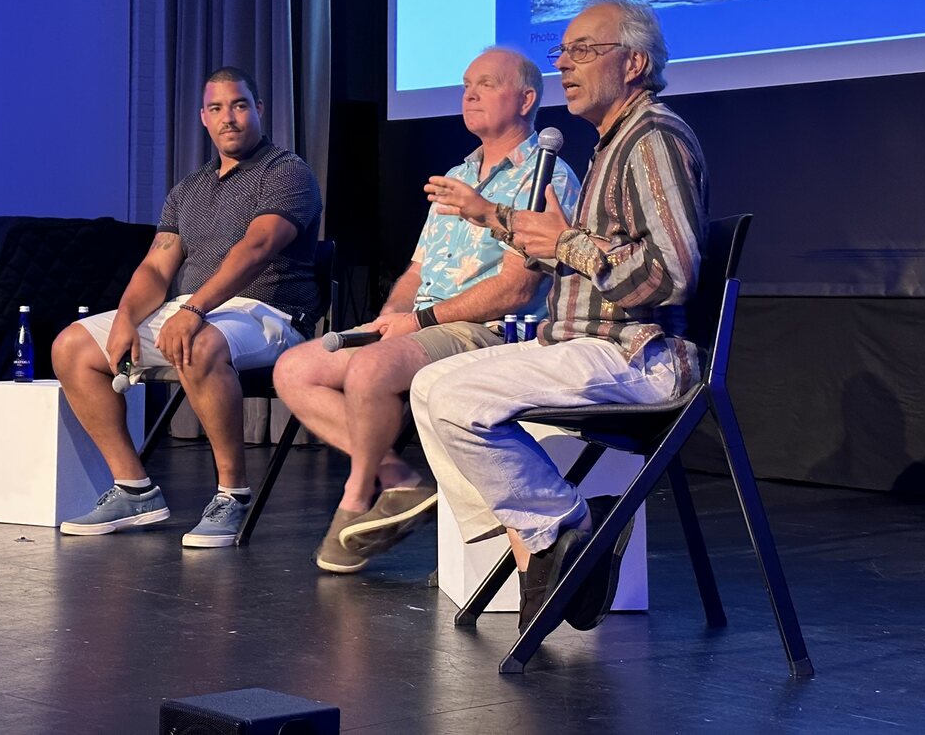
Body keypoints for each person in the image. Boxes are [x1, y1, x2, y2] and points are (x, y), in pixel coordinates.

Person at [413, 0, 707, 632]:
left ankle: (559, 534)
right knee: (428, 384)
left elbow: (672, 274)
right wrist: (499, 219)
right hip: (583, 346)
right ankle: (552, 538)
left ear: (633, 63)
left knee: (459, 397)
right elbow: (572, 250)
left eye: (584, 51)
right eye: (563, 52)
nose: (566, 66)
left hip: (640, 357)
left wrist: (569, 243)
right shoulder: (609, 147)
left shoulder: (652, 139)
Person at [274, 47, 577, 573]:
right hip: (422, 324)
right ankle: (399, 482)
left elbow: (514, 290)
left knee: (370, 368)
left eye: (486, 83)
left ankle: (354, 499)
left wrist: (413, 325)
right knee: (295, 369)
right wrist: (385, 319)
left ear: (527, 98)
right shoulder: (457, 174)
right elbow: (417, 272)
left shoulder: (545, 176)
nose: (470, 93)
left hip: (488, 332)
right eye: (465, 84)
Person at [52, 66, 323, 549]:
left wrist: (194, 310)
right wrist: (125, 318)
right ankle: (134, 488)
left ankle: (232, 496)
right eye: (217, 109)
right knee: (73, 346)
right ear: (203, 118)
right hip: (194, 310)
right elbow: (157, 268)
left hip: (270, 313)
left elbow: (257, 247)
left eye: (239, 105)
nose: (229, 118)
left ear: (259, 110)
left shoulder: (286, 171)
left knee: (197, 343)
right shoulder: (188, 189)